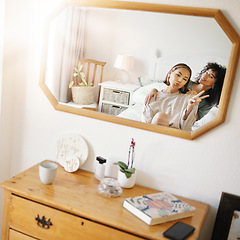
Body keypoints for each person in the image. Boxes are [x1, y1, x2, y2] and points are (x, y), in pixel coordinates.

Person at [145, 62, 226, 121]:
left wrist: (192, 105)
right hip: (164, 114)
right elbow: (167, 91)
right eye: (206, 72)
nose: (205, 75)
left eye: (210, 76)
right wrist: (154, 90)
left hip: (180, 122)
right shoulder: (186, 82)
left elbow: (195, 119)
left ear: (215, 84)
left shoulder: (208, 101)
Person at [142, 63, 208, 131]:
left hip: (176, 136)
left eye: (184, 79)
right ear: (170, 72)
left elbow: (186, 128)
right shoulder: (153, 96)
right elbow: (145, 124)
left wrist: (190, 107)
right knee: (160, 117)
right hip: (154, 134)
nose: (180, 80)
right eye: (178, 75)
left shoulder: (189, 99)